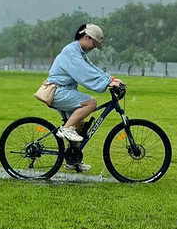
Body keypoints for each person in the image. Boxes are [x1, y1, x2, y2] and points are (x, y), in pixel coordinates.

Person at [47, 23, 123, 171]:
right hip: (58, 91)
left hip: (64, 91)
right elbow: (83, 73)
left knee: (80, 126)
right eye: (94, 43)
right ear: (86, 37)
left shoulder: (79, 52)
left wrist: (111, 79)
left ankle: (73, 160)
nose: (94, 47)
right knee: (91, 103)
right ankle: (65, 128)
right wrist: (108, 83)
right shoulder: (71, 52)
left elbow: (92, 68)